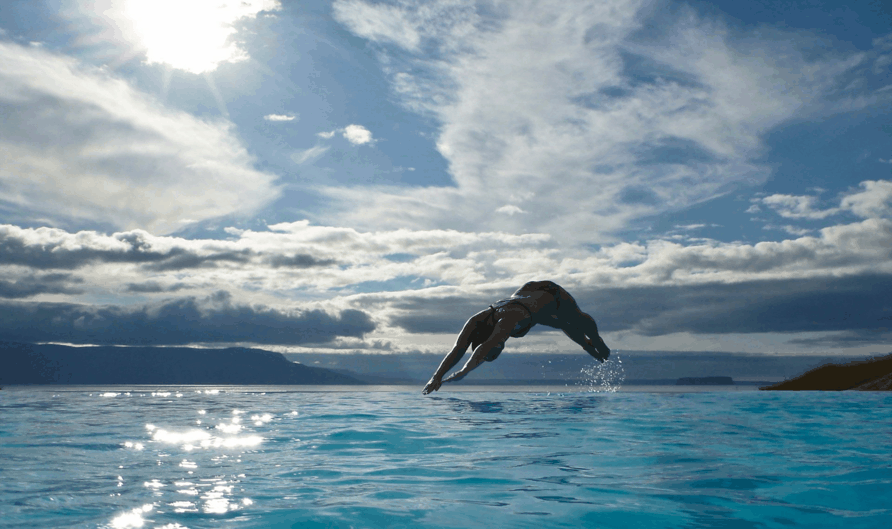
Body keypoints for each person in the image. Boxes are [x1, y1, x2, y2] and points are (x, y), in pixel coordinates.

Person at [422, 280, 610, 394]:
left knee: (575, 317)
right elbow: (458, 349)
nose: (501, 346)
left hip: (553, 295)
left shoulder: (506, 323)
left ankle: (595, 341)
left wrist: (463, 372)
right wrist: (436, 377)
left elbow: (486, 346)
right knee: (560, 323)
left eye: (498, 348)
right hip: (528, 297)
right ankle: (587, 344)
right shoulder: (478, 320)